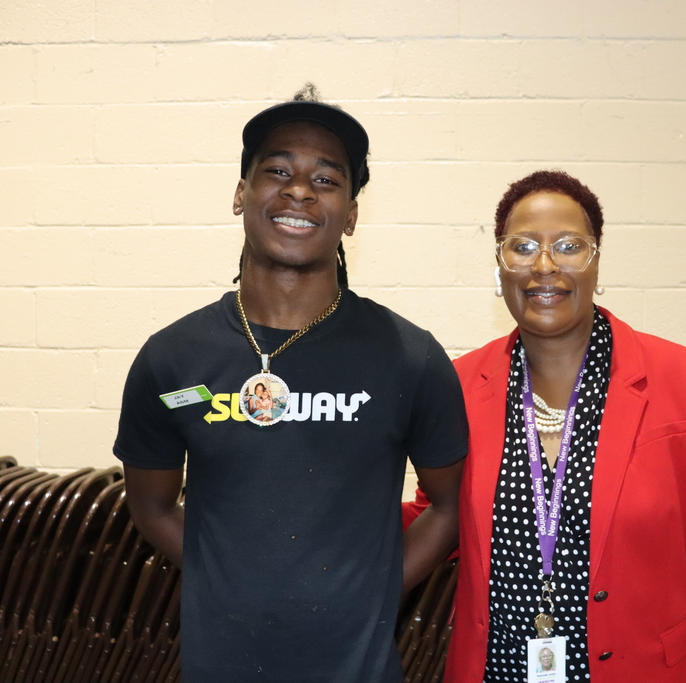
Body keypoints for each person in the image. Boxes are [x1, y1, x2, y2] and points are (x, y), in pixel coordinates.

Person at [114, 85, 468, 682]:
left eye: (326, 179)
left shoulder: (411, 358)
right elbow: (150, 505)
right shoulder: (171, 360)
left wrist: (370, 590)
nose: (299, 189)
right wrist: (229, 581)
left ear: (351, 214)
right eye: (276, 170)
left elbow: (450, 507)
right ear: (240, 194)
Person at [406, 170, 686, 681]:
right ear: (499, 265)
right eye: (521, 246)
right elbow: (438, 515)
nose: (544, 266)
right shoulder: (461, 385)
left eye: (568, 246)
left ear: (596, 260)